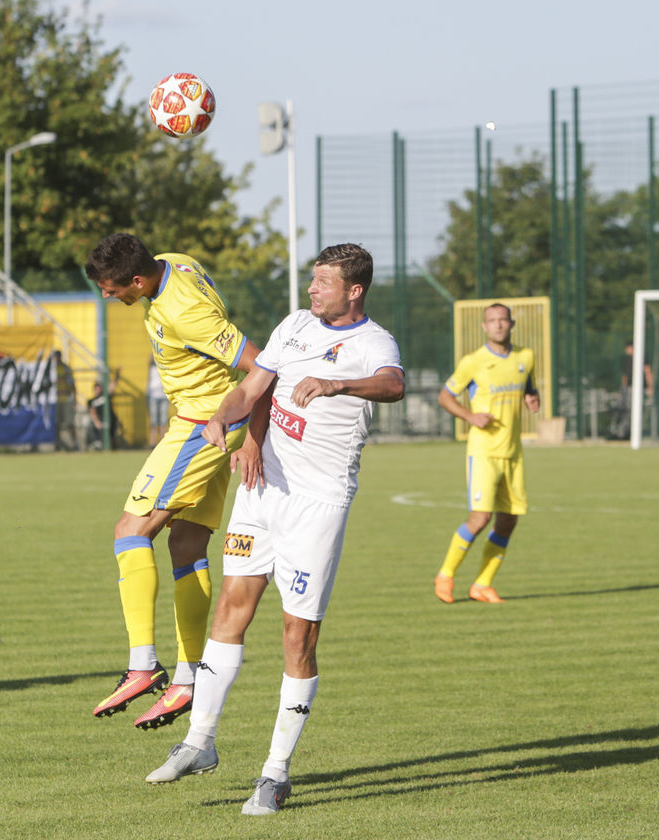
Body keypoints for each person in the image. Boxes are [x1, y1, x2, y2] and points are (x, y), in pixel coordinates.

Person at [144, 243, 404, 815]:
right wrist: (226, 419)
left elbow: (393, 385)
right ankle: (199, 741)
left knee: (296, 635)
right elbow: (250, 390)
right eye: (312, 280)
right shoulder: (293, 326)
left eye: (323, 283)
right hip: (261, 492)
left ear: (354, 290)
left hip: (317, 504)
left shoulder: (374, 342)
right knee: (231, 607)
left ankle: (275, 773)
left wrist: (337, 385)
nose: (312, 290)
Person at [83, 232, 262, 730]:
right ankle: (187, 678)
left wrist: (252, 434)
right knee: (185, 543)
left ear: (138, 280)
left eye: (112, 288)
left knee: (130, 531)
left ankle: (143, 665)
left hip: (202, 425)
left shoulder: (186, 312)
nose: (108, 296)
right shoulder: (174, 262)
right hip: (216, 421)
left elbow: (258, 364)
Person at [433, 302, 540, 604]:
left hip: (513, 453)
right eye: (492, 320)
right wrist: (470, 416)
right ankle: (445, 575)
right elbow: (445, 396)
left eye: (503, 319)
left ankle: (482, 584)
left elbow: (529, 388)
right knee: (480, 519)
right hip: (483, 453)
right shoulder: (473, 362)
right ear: (484, 326)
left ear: (512, 323)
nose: (498, 325)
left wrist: (533, 398)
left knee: (508, 521)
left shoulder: (525, 357)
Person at [147, 359, 168, 445]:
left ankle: (163, 442)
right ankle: (153, 442)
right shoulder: (152, 367)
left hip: (164, 395)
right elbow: (149, 359)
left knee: (163, 421)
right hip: (153, 396)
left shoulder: (165, 366)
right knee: (153, 421)